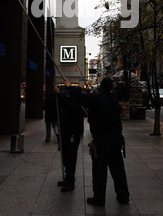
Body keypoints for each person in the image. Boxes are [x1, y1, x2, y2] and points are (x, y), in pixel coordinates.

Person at [80, 77, 130, 207]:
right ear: (111, 88)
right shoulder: (114, 100)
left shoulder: (97, 98)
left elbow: (81, 98)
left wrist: (70, 86)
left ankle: (99, 198)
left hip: (102, 139)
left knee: (99, 171)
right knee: (118, 169)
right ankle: (123, 196)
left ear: (101, 87)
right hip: (116, 138)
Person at [55, 82, 84, 192]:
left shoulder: (75, 104)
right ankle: (67, 178)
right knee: (66, 158)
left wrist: (59, 95)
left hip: (71, 135)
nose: (67, 94)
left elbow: (67, 105)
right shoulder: (68, 102)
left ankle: (70, 181)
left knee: (70, 158)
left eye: (68, 93)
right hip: (65, 134)